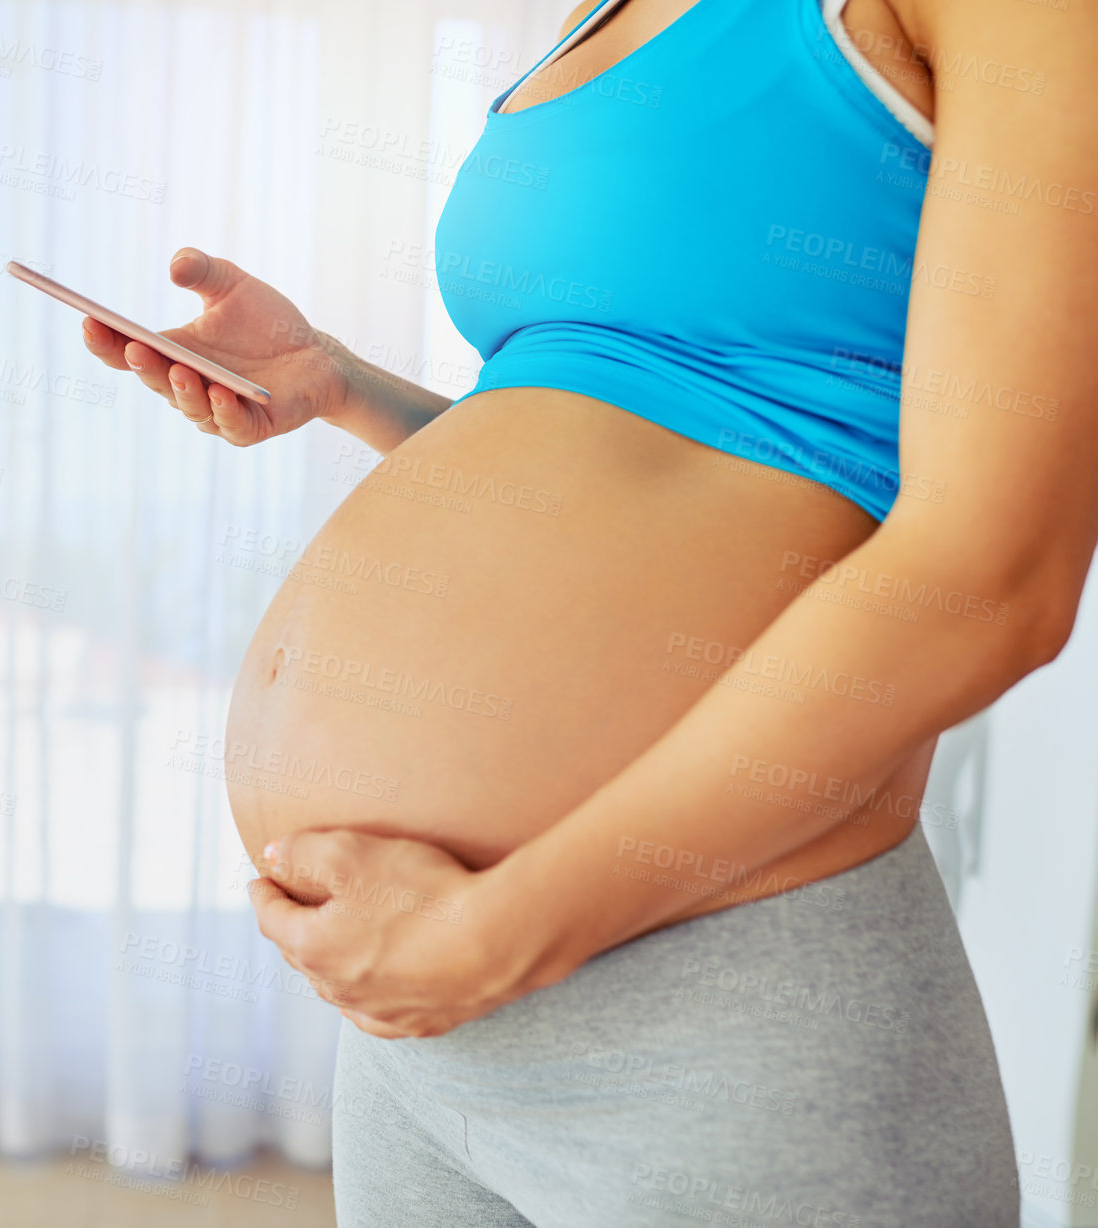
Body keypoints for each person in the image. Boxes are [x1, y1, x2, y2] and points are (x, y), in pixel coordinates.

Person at [80, 0, 1097, 1221]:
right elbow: (636, 457)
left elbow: (992, 576)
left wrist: (499, 932)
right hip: (419, 1039)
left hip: (717, 1004)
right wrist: (340, 385)